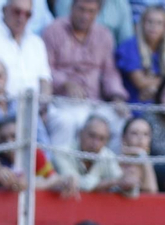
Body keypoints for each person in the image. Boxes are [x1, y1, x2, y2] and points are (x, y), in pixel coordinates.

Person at [44, 0, 128, 150]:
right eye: (81, 10)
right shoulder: (53, 30)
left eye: (91, 11)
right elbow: (45, 69)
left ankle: (111, 171)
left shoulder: (104, 35)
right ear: (72, 7)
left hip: (94, 102)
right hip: (62, 103)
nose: (85, 16)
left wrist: (117, 97)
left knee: (121, 122)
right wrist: (65, 82)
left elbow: (110, 72)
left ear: (98, 13)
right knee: (67, 122)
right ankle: (60, 170)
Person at [0, 0, 52, 99]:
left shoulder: (37, 43)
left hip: (33, 108)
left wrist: (43, 104)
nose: (21, 18)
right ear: (4, 11)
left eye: (27, 14)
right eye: (17, 12)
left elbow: (45, 80)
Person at [54, 113, 136, 195]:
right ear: (81, 133)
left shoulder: (108, 156)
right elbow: (75, 184)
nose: (95, 143)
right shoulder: (62, 153)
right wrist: (112, 182)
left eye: (101, 139)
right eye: (92, 136)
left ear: (107, 142)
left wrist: (129, 183)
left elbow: (126, 188)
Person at [116, 3, 165, 105]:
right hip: (134, 106)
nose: (153, 27)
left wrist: (155, 89)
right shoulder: (130, 47)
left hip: (162, 106)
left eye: (159, 23)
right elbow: (141, 82)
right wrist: (164, 82)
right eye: (149, 22)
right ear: (142, 24)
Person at [117, 113, 159, 193]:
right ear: (124, 137)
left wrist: (143, 157)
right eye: (134, 133)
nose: (141, 139)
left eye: (145, 134)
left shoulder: (155, 164)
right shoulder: (114, 161)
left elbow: (152, 192)